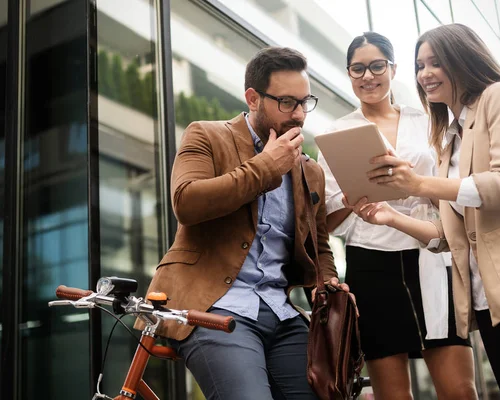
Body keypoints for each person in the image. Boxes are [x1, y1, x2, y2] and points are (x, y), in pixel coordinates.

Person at [347, 24, 500, 400]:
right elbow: (452, 236)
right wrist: (391, 217)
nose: (425, 74)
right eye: (420, 65)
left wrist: (416, 184)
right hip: (492, 304)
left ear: (462, 59)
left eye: (435, 62)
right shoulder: (447, 140)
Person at [138, 46, 350, 400]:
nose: (298, 114)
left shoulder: (310, 171)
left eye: (304, 102)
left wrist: (328, 287)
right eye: (286, 102)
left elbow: (320, 245)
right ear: (253, 98)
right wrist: (268, 166)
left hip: (281, 313)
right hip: (211, 309)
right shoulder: (206, 135)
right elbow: (186, 203)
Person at [317, 32, 477, 400]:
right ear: (348, 73)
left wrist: (413, 182)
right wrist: (351, 196)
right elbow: (325, 222)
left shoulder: (428, 120)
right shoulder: (335, 133)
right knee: (392, 395)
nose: (368, 76)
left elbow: (453, 191)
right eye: (358, 69)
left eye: (377, 66)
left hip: (431, 254)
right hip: (371, 263)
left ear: (392, 69)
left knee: (460, 390)